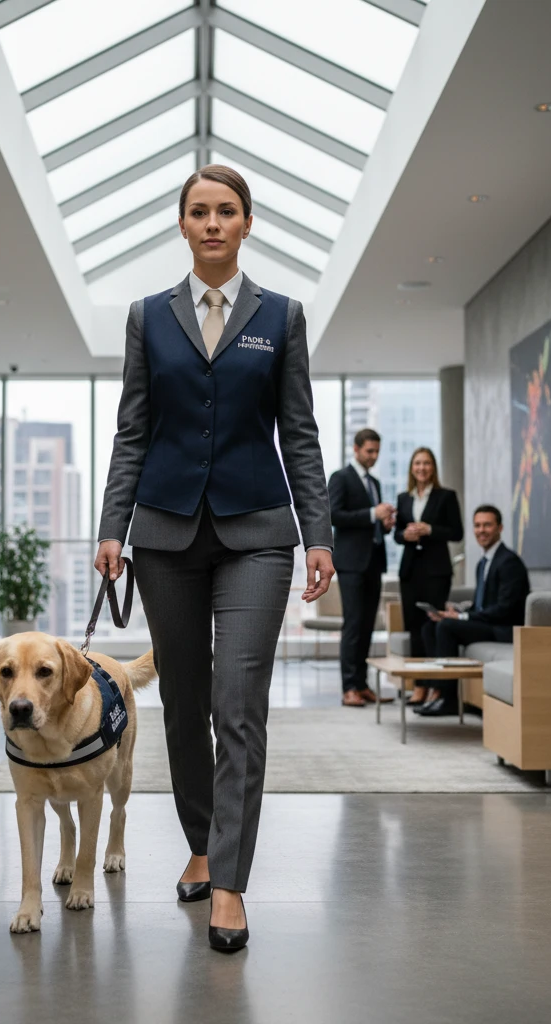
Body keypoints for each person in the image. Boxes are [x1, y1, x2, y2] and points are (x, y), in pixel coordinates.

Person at [95, 165, 333, 953]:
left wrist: (319, 533)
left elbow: (298, 433)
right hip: (164, 533)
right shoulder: (146, 318)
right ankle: (201, 839)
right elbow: (134, 429)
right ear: (182, 224)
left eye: (226, 211)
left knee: (238, 701)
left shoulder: (283, 318)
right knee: (186, 702)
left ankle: (228, 881)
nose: (212, 224)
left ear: (247, 222)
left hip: (258, 532)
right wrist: (111, 526)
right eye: (199, 212)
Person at [419, 505, 531, 716]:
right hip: (488, 623)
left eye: (487, 525)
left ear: (500, 528)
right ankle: (435, 691)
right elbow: (485, 603)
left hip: (503, 629)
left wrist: (462, 617)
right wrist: (460, 609)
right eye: (477, 526)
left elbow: (504, 609)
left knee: (447, 627)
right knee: (430, 626)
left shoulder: (509, 562)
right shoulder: (484, 563)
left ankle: (449, 699)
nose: (482, 530)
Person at [328, 428, 396, 707]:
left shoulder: (375, 482)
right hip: (351, 564)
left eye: (377, 451)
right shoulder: (340, 478)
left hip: (373, 562)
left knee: (368, 625)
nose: (374, 456)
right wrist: (372, 514)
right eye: (370, 451)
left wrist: (384, 524)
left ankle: (362, 683)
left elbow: (373, 524)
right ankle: (349, 687)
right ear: (355, 449)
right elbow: (334, 514)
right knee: (354, 625)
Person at [394, 447, 464, 707]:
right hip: (410, 571)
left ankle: (437, 686)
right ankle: (419, 685)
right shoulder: (404, 498)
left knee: (433, 626)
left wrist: (430, 529)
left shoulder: (446, 496)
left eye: (426, 463)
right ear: (412, 468)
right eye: (417, 463)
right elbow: (397, 534)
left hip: (437, 571)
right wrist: (406, 535)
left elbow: (457, 532)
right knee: (413, 629)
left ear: (433, 467)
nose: (421, 468)